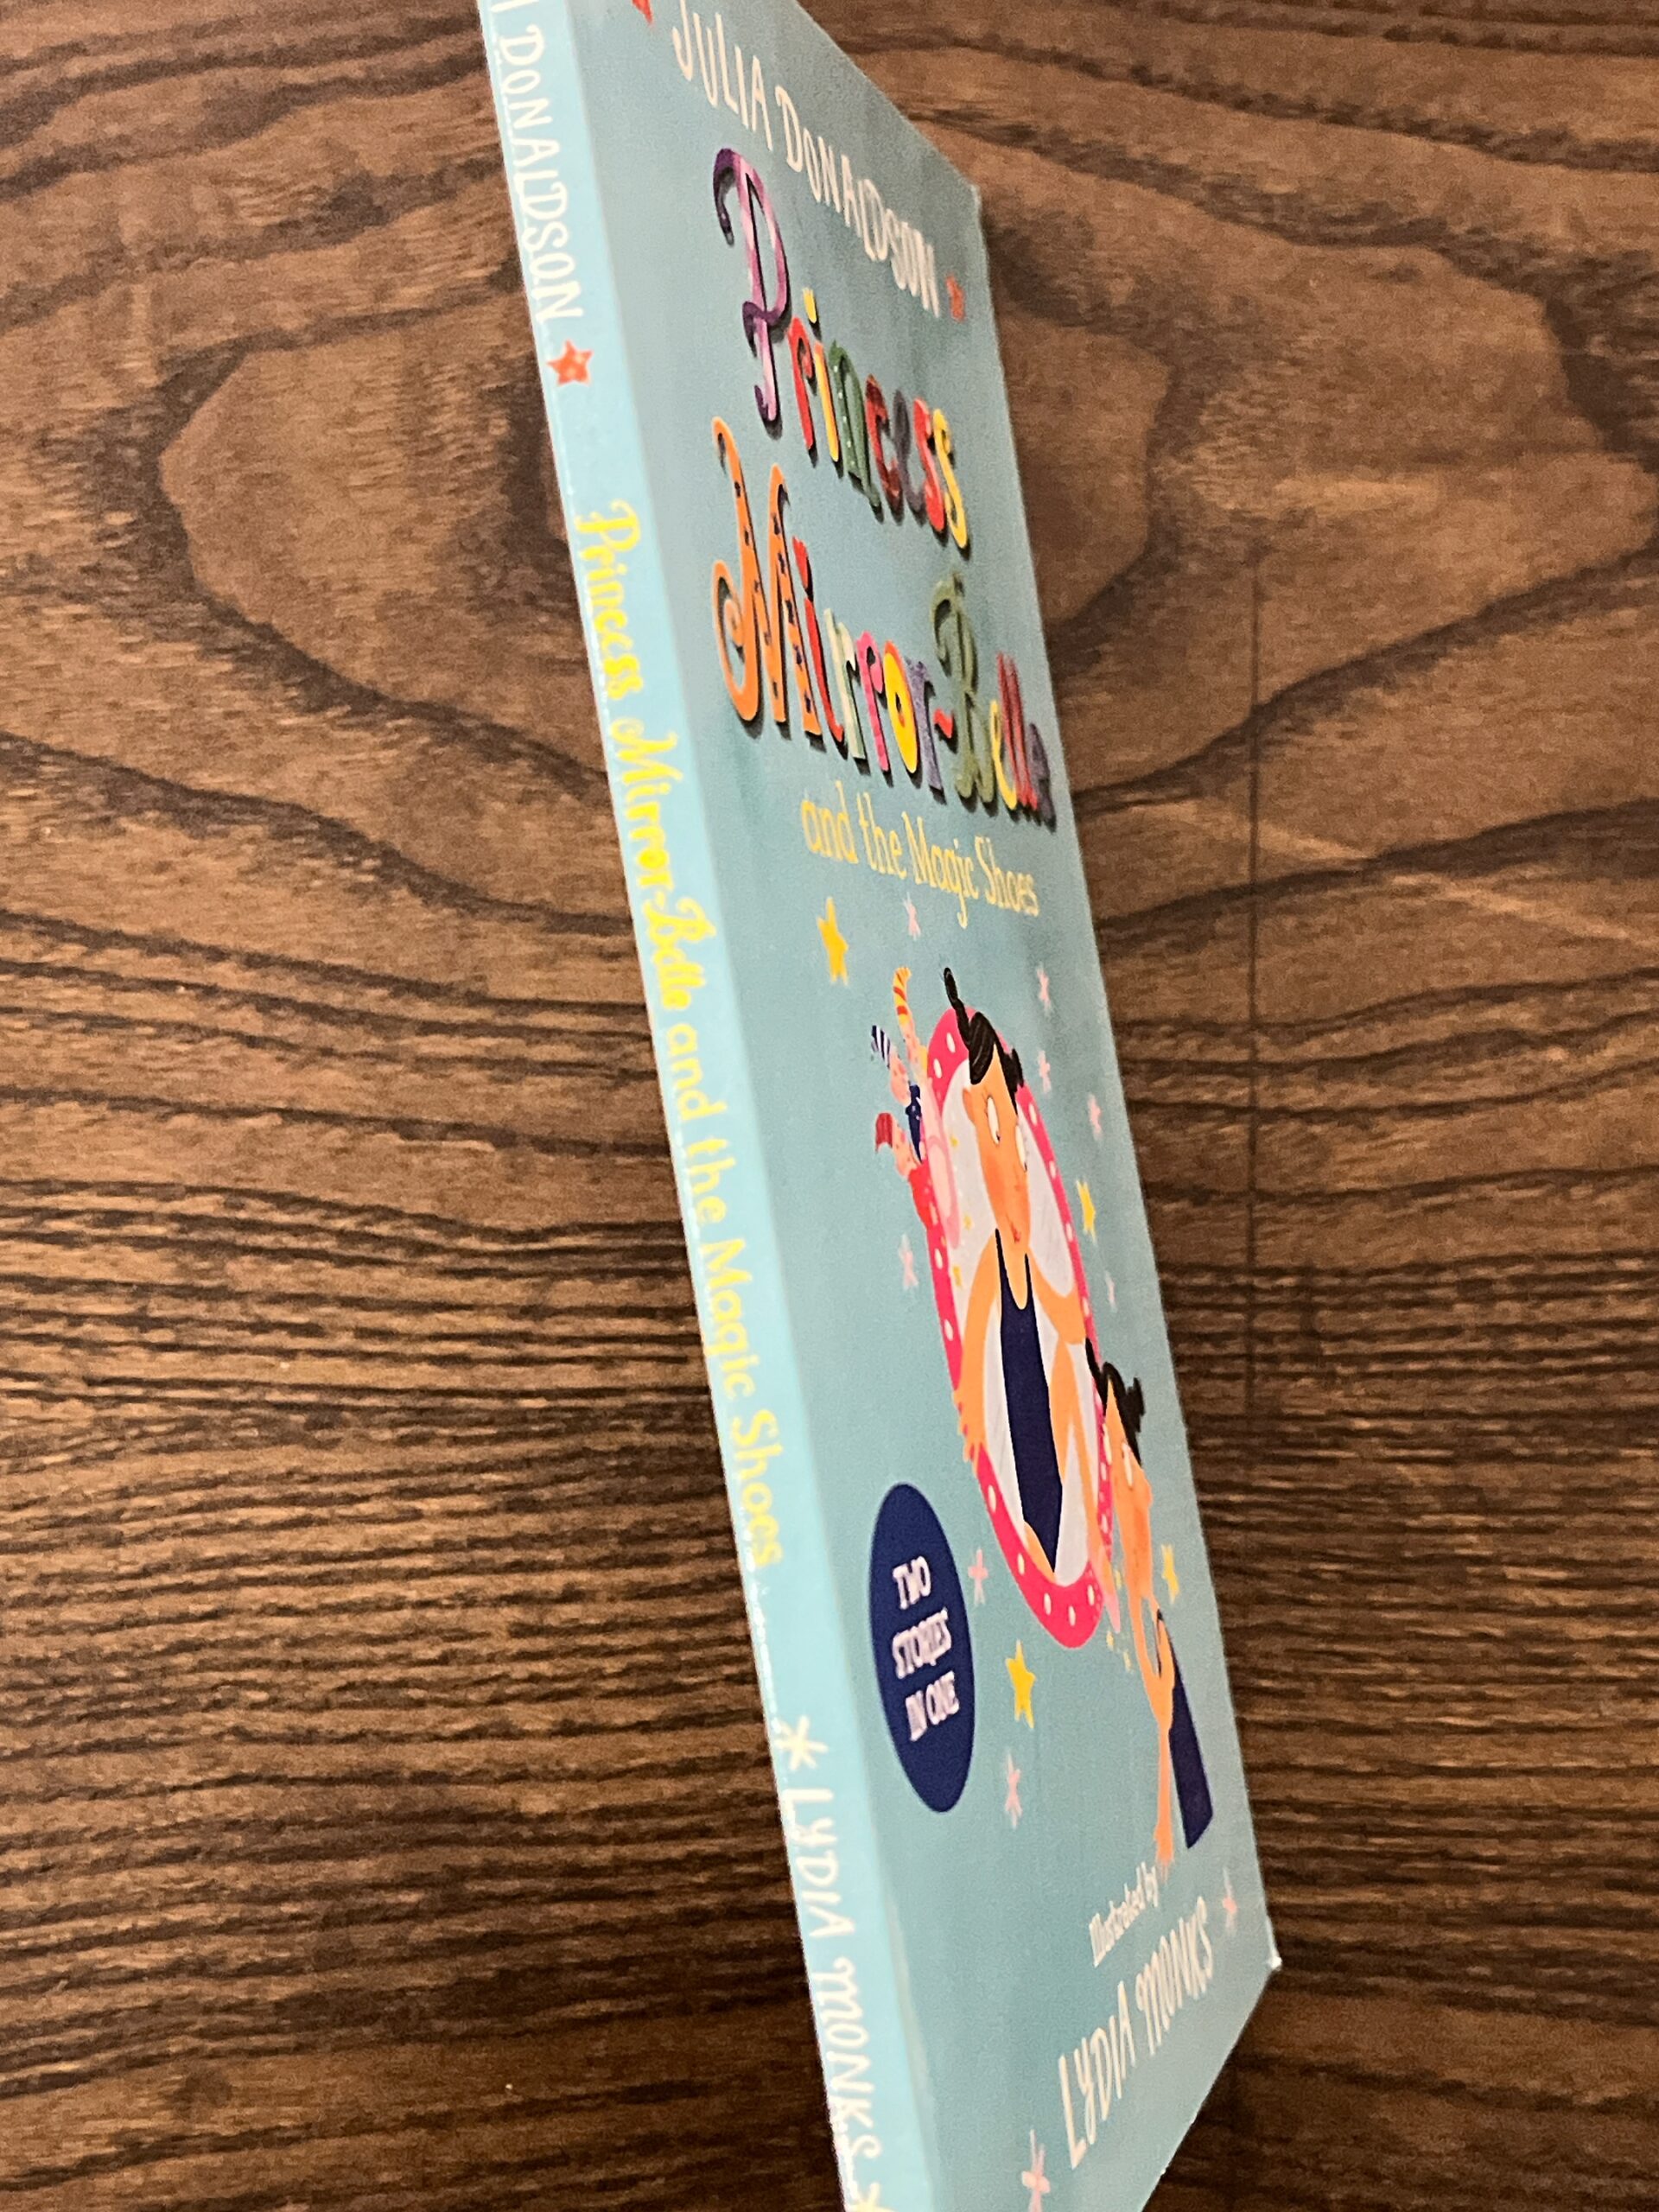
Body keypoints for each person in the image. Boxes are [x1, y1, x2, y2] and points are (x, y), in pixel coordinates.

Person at [947, 969, 1106, 1594]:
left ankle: (1074, 1538)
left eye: (1012, 1135)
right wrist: (970, 1399)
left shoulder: (1030, 1262)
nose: (1014, 1167)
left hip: (1047, 1453)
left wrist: (1085, 1355)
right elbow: (975, 1335)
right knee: (1037, 1529)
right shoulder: (993, 1260)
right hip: (1020, 1448)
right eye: (992, 1125)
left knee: (1052, 1503)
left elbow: (1067, 1320)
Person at [1087, 1345, 1212, 1866]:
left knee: (1165, 1709)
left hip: (1145, 1601)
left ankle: (1176, 1823)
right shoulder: (1117, 1478)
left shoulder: (1132, 1479)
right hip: (1137, 1601)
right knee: (1161, 1708)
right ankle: (1174, 1823)